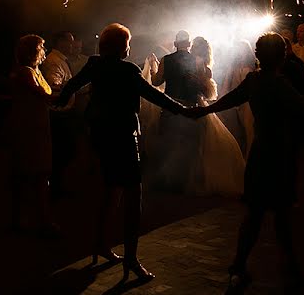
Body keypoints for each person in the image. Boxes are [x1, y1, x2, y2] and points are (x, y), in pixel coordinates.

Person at [191, 33, 304, 290]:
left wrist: (205, 110)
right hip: (278, 154)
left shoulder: (254, 80)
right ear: (281, 56)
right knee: (282, 213)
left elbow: (231, 99)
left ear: (258, 56)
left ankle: (241, 264)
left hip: (259, 152)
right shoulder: (278, 83)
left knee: (254, 214)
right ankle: (289, 266)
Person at [57, 23, 190, 282]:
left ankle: (101, 245)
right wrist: (185, 111)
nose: (130, 47)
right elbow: (155, 96)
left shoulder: (94, 64)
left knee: (110, 189)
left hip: (100, 135)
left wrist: (58, 100)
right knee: (133, 197)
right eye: (127, 43)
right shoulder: (128, 70)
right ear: (121, 46)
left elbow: (71, 85)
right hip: (123, 138)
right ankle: (131, 259)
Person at [6, 34, 60, 236]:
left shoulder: (34, 71)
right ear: (33, 51)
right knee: (31, 174)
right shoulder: (25, 72)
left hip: (36, 127)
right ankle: (36, 220)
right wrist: (69, 93)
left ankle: (30, 219)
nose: (44, 52)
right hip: (28, 128)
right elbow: (42, 94)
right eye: (41, 48)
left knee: (35, 174)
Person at [189, 36, 245, 195]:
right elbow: (209, 93)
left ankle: (195, 176)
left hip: (194, 103)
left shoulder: (192, 63)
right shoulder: (207, 68)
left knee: (197, 140)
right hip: (201, 102)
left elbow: (206, 91)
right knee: (204, 140)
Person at [148, 31, 201, 192]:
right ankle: (182, 183)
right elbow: (201, 86)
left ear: (175, 44)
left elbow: (157, 82)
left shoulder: (167, 60)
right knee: (187, 145)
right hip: (190, 108)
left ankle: (165, 182)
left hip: (170, 107)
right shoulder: (197, 61)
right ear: (189, 44)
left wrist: (152, 68)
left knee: (167, 144)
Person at [41, 31, 77, 198]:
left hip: (64, 113)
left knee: (65, 152)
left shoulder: (61, 61)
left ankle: (57, 185)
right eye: (70, 41)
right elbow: (53, 85)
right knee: (61, 152)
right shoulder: (54, 62)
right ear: (60, 42)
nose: (73, 44)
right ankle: (54, 188)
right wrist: (72, 86)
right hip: (58, 115)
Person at [219, 40, 258, 156]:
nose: (238, 53)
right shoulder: (234, 67)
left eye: (241, 50)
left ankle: (248, 160)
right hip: (236, 103)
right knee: (237, 133)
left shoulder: (249, 68)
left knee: (249, 132)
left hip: (247, 104)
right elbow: (225, 89)